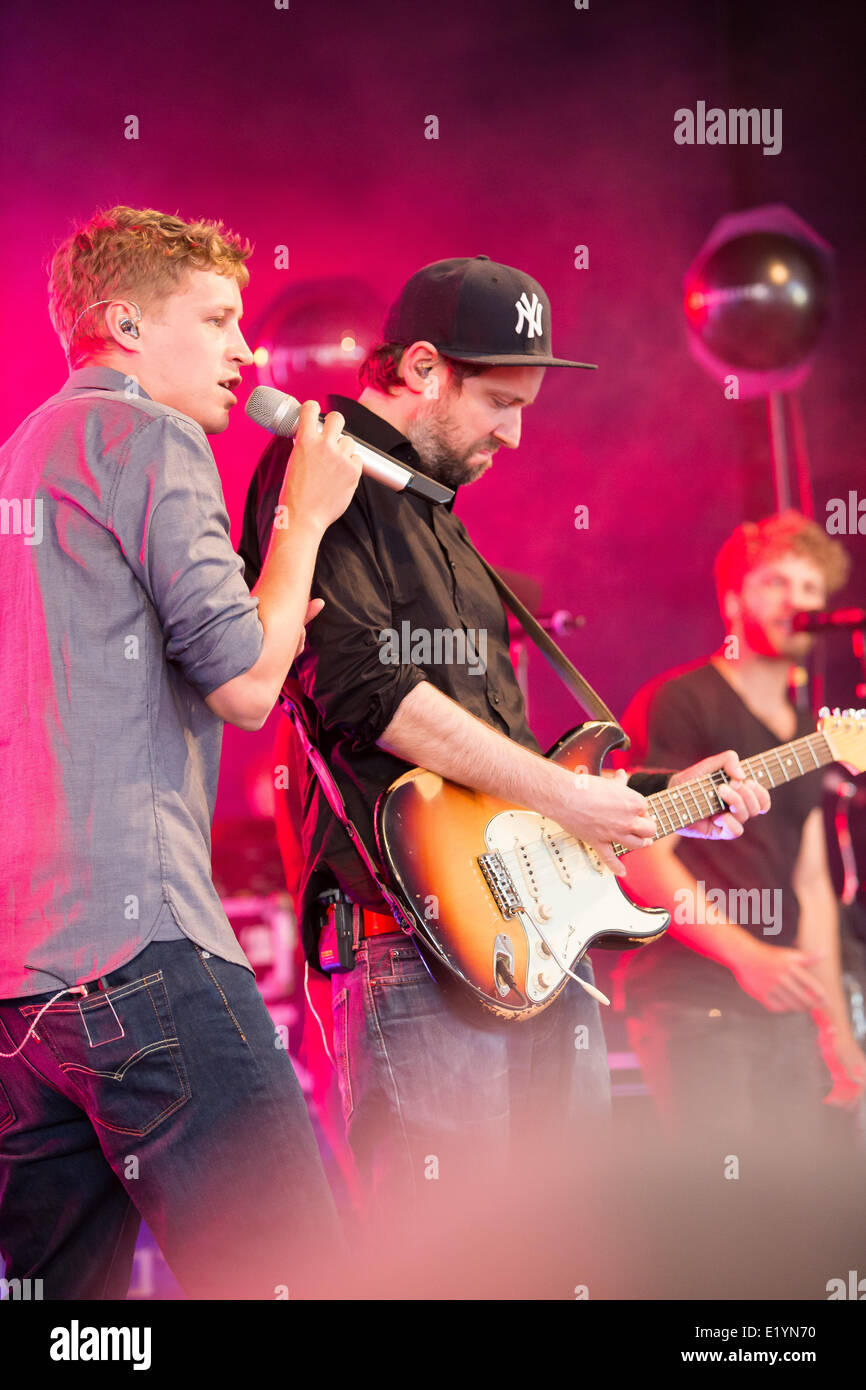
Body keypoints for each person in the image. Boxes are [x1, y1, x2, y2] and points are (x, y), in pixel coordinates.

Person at [239, 255, 771, 1257]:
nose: (514, 434)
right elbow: (359, 690)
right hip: (411, 941)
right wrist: (565, 802)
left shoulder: (438, 518)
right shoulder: (324, 460)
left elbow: (519, 770)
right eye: (499, 401)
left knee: (558, 1249)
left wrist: (654, 801)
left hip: (525, 942)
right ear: (423, 368)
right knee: (449, 1262)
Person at [0, 205, 362, 1299]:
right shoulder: (149, 436)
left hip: (22, 990)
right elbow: (248, 683)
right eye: (216, 318)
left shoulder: (20, 456)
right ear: (122, 322)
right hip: (139, 947)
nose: (245, 350)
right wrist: (304, 512)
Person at [614, 511, 866, 1164]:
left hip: (785, 1009)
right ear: (732, 600)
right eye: (777, 583)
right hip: (693, 1000)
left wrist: (838, 1036)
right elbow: (641, 855)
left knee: (799, 1221)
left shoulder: (811, 730)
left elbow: (812, 886)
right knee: (730, 1223)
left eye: (811, 591)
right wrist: (745, 956)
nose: (798, 603)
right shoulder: (683, 702)